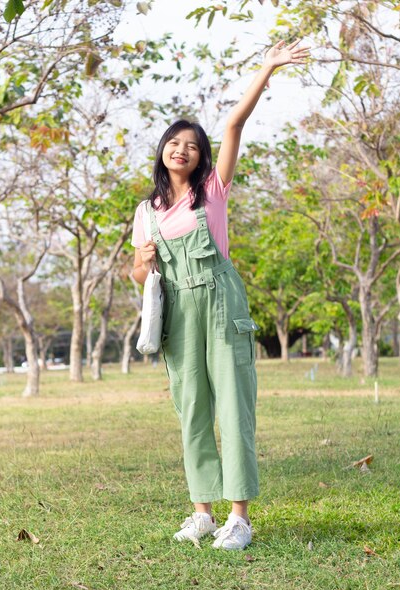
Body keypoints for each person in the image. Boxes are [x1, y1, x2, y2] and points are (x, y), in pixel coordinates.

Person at [132, 39, 310, 549]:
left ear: (201, 155)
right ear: (162, 151)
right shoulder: (145, 212)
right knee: (191, 409)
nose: (181, 149)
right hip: (178, 317)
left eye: (191, 144)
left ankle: (239, 519)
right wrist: (141, 264)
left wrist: (268, 67)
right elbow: (138, 278)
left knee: (232, 407)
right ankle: (202, 513)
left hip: (220, 303)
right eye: (174, 142)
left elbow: (233, 124)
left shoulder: (211, 191)